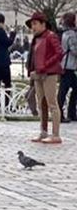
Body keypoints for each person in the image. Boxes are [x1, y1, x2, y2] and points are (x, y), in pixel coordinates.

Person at [27, 11, 63, 145]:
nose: (33, 27)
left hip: (49, 74)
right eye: (32, 25)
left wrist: (46, 65)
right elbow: (32, 57)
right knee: (41, 103)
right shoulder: (36, 39)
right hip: (38, 74)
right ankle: (43, 131)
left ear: (43, 24)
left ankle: (56, 134)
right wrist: (32, 70)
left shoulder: (51, 36)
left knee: (52, 103)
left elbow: (59, 53)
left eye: (35, 24)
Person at [60, 12, 77, 125]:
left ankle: (69, 113)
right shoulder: (71, 34)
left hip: (66, 65)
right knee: (64, 90)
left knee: (65, 90)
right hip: (69, 65)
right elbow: (75, 50)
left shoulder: (65, 33)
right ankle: (65, 113)